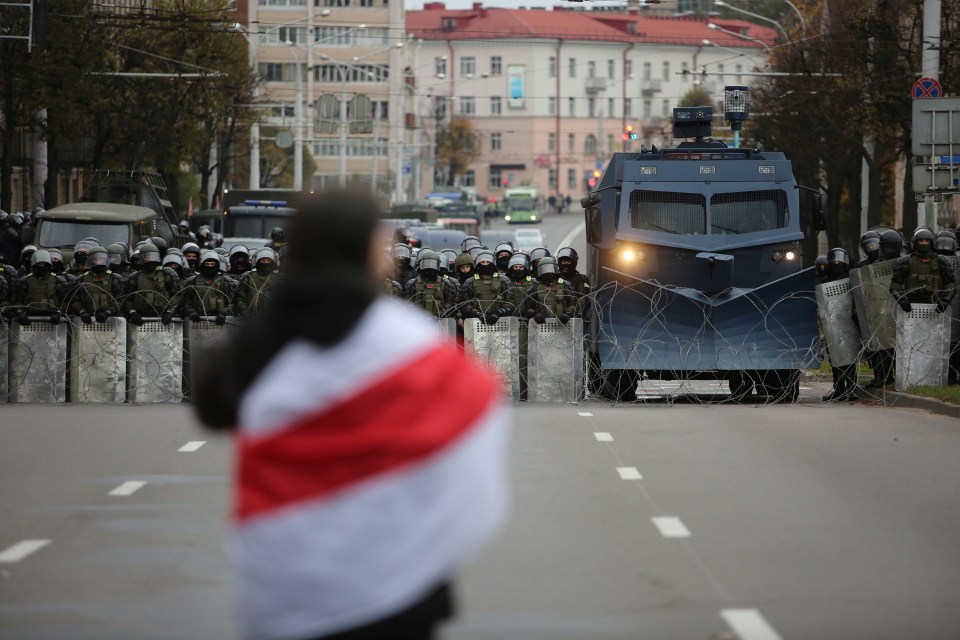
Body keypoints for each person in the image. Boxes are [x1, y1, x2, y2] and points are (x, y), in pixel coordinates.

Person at [191, 188, 508, 640]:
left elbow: (213, 405)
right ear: (364, 252)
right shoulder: (403, 336)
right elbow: (474, 405)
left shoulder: (268, 335)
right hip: (397, 584)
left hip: (291, 587)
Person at [890, 227, 956, 313]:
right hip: (912, 308)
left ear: (931, 242)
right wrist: (902, 300)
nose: (924, 243)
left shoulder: (941, 261)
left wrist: (945, 300)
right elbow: (895, 284)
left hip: (936, 307)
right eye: (921, 241)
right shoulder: (905, 261)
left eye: (926, 241)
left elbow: (950, 283)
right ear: (916, 242)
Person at [123, 242, 180, 325]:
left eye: (153, 256)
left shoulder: (166, 276)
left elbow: (176, 295)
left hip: (162, 318)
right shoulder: (135, 278)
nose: (150, 259)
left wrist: (169, 312)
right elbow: (128, 299)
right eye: (147, 257)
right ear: (142, 258)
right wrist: (132, 313)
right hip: (141, 318)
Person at [67, 245, 124, 323]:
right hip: (87, 319)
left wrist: (108, 312)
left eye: (101, 260)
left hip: (109, 320)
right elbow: (74, 299)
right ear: (91, 261)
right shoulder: (82, 279)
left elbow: (120, 299)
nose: (98, 262)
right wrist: (82, 312)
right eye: (95, 260)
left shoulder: (113, 278)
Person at [174, 250, 233, 323]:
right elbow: (186, 302)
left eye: (212, 264)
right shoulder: (194, 281)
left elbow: (232, 302)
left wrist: (224, 313)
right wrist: (191, 312)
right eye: (207, 264)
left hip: (219, 320)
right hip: (198, 320)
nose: (210, 266)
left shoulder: (224, 281)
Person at [461, 249, 513, 325]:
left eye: (488, 262)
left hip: (501, 321)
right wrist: (478, 314)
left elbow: (511, 303)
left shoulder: (503, 280)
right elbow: (465, 304)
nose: (485, 264)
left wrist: (498, 313)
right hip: (476, 322)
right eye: (482, 262)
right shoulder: (470, 282)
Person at [523, 256, 577, 325]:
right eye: (545, 269)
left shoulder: (564, 285)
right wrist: (535, 314)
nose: (548, 271)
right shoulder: (536, 288)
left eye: (550, 268)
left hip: (562, 324)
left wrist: (568, 313)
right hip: (543, 325)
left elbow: (572, 304)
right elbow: (528, 308)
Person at [234, 248, 280, 317]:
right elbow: (240, 298)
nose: (266, 262)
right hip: (251, 319)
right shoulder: (248, 277)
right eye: (263, 260)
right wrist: (245, 313)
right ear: (257, 261)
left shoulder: (279, 278)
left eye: (268, 260)